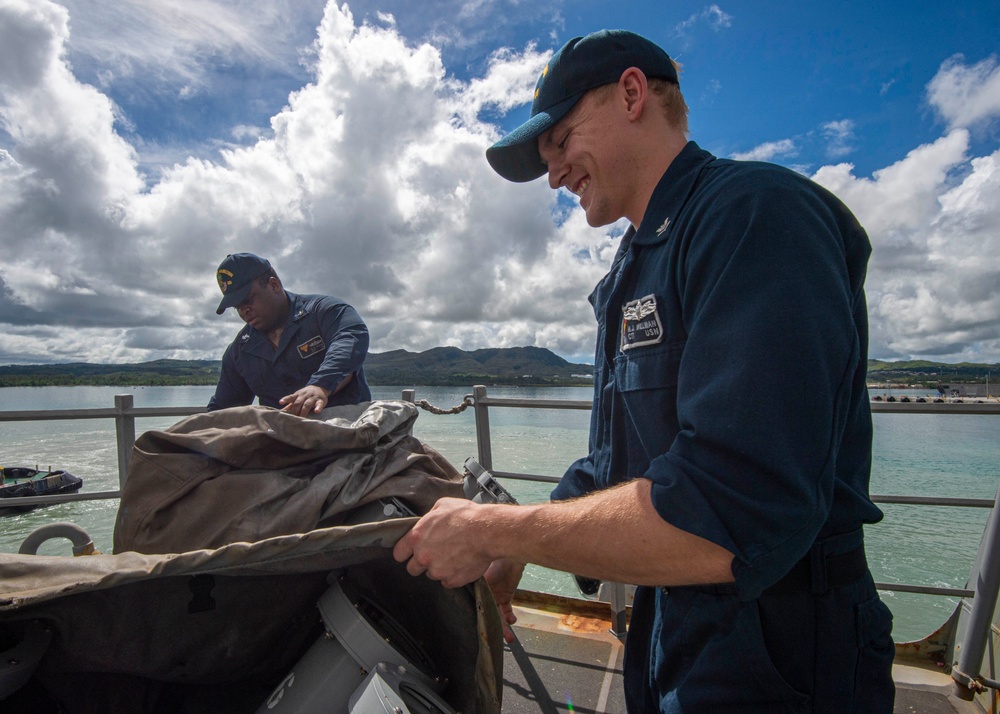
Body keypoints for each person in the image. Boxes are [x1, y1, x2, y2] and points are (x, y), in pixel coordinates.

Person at [393, 29, 895, 712]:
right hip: (675, 627)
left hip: (782, 646)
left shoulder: (753, 216)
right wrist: (518, 545)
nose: (555, 173)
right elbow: (620, 465)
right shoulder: (634, 267)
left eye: (562, 139)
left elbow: (730, 514)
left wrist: (496, 530)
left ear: (632, 94)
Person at [208, 252, 372, 417]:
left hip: (347, 430)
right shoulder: (239, 351)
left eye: (248, 300)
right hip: (283, 437)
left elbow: (350, 340)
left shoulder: (326, 311)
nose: (244, 310)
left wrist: (320, 385)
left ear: (274, 285)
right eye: (237, 306)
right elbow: (223, 408)